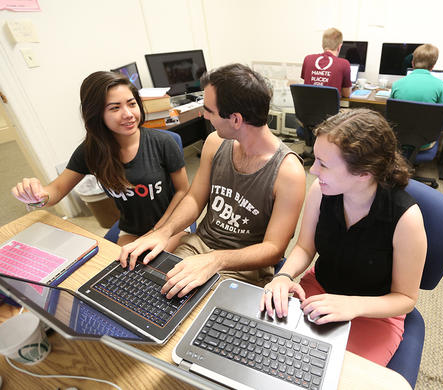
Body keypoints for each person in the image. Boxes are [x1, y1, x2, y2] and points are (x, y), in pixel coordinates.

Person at [119, 64, 306, 299]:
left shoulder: (289, 172)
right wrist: (162, 232)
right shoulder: (214, 143)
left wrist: (216, 260)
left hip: (243, 267)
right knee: (143, 291)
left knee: (199, 317)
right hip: (198, 247)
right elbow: (195, 199)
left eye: (209, 110)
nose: (203, 115)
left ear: (236, 119)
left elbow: (273, 250)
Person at [259, 108, 427, 366]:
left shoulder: (406, 218)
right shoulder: (322, 190)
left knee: (337, 374)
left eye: (323, 164)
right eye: (315, 159)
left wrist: (353, 306)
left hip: (374, 311)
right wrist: (283, 276)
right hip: (320, 290)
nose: (313, 170)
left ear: (364, 172)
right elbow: (305, 248)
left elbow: (405, 299)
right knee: (272, 354)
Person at [11, 71, 189, 250]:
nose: (128, 114)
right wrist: (36, 194)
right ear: (97, 114)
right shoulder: (91, 152)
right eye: (115, 108)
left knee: (155, 268)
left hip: (171, 223)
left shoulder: (163, 142)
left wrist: (159, 230)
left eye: (132, 104)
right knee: (123, 270)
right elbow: (55, 190)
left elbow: (183, 191)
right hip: (132, 230)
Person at [390, 44, 443, 151]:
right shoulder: (441, 86)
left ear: (412, 63)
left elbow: (391, 112)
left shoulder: (397, 84)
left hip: (397, 139)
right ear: (433, 66)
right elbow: (441, 117)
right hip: (425, 142)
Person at [301, 27, 352, 97]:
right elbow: (347, 94)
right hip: (330, 107)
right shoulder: (344, 64)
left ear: (322, 45)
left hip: (306, 107)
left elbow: (307, 84)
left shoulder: (308, 59)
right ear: (339, 47)